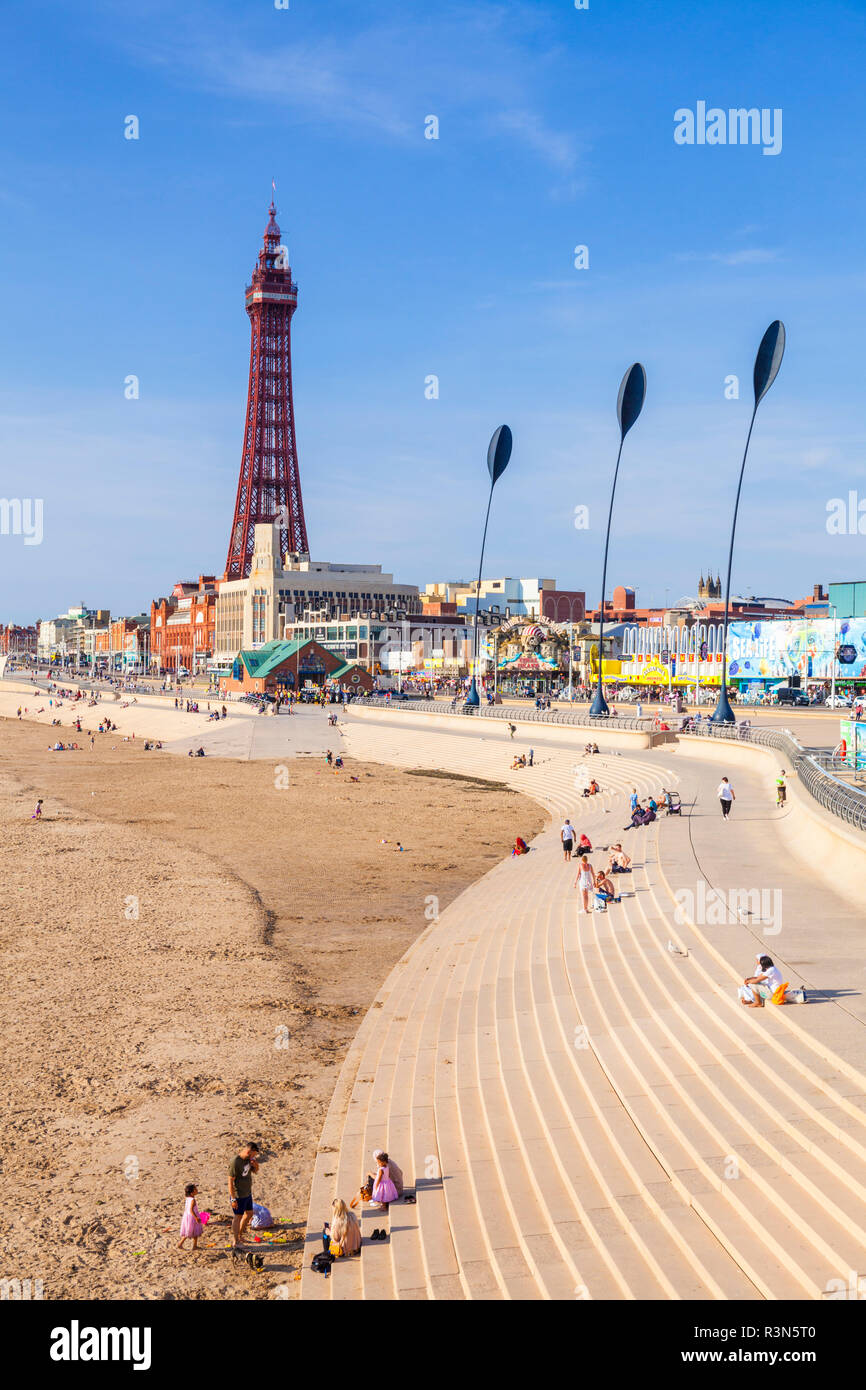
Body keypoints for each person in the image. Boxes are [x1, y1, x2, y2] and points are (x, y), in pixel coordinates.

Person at [228, 1141, 260, 1248]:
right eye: (254, 1154)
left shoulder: (248, 1160)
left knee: (249, 1214)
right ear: (248, 1151)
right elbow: (230, 1181)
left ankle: (240, 1235)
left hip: (247, 1192)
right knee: (238, 1216)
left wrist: (254, 1164)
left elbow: (255, 1171)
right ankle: (235, 1241)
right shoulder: (235, 1162)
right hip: (238, 1195)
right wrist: (233, 1199)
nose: (254, 1156)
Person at [178, 1183, 205, 1250]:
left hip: (187, 1216)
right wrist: (196, 1217)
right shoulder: (193, 1200)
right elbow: (191, 1210)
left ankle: (194, 1246)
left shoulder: (188, 1198)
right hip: (192, 1217)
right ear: (192, 1192)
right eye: (195, 1189)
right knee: (191, 1231)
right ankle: (180, 1244)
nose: (197, 1190)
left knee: (193, 1231)